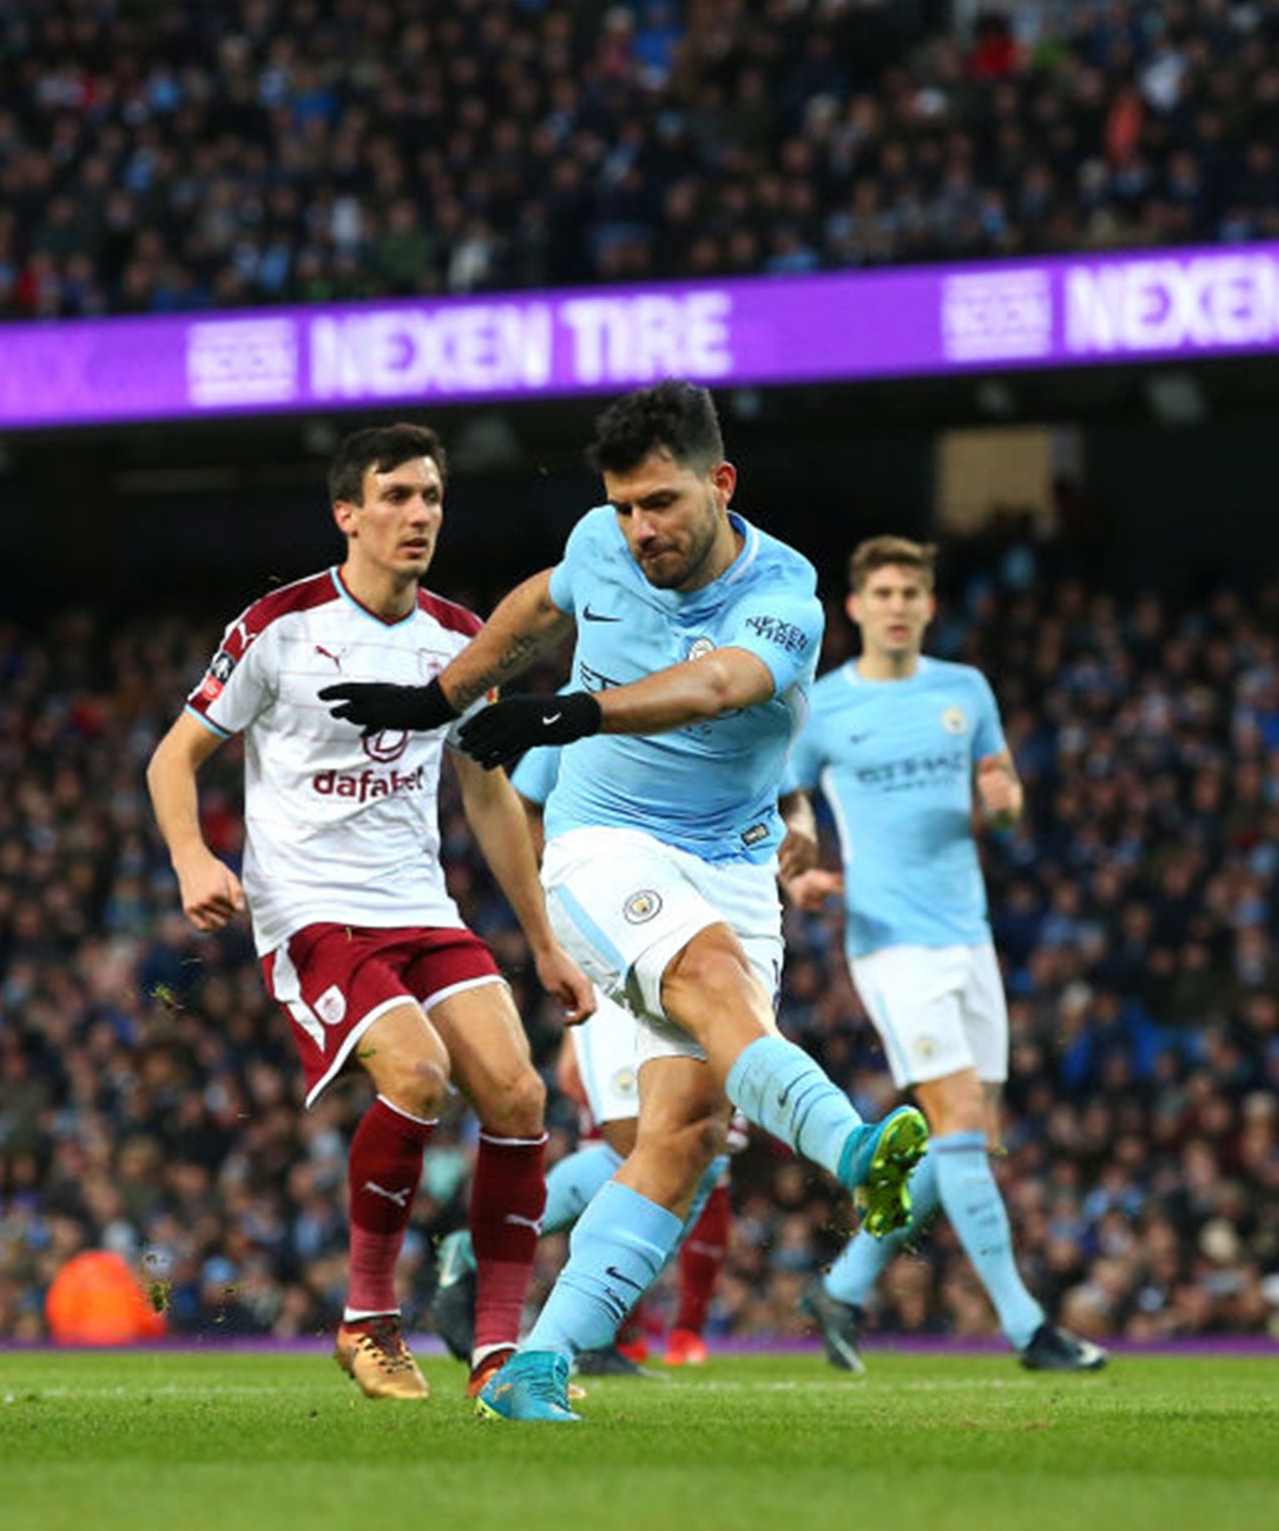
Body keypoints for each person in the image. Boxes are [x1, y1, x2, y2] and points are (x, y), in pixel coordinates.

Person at [319, 380, 928, 1424]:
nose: (638, 528)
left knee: (683, 1138)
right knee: (710, 983)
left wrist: (569, 712)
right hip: (602, 847)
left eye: (660, 504)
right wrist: (441, 695)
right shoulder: (601, 541)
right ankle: (853, 1151)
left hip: (732, 867)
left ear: (718, 484)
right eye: (624, 506)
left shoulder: (784, 593)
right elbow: (541, 605)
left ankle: (532, 1367)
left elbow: (715, 687)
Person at [145, 423, 595, 1403]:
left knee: (518, 1097)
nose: (418, 514)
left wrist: (545, 945)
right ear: (347, 512)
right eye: (396, 496)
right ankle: (366, 1319)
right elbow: (173, 757)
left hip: (418, 907)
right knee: (421, 1074)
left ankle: (494, 1355)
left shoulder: (457, 639)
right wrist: (191, 858)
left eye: (430, 497)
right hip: (309, 912)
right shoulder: (280, 624)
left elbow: (486, 795)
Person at [779, 536, 1105, 1373]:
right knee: (959, 1126)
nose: (895, 605)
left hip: (970, 936)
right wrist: (803, 863)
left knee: (966, 1141)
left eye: (909, 592)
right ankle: (1028, 1327)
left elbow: (1002, 802)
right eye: (881, 591)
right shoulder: (826, 705)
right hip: (891, 945)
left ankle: (843, 1288)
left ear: (928, 605)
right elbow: (789, 797)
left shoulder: (967, 692)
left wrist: (1005, 804)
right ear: (854, 607)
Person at [429, 733, 740, 1376]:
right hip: (611, 945)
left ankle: (502, 1263)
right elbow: (514, 809)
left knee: (699, 1148)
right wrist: (571, 900)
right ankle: (583, 1326)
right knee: (647, 1146)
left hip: (696, 943)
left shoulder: (713, 701)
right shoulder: (587, 711)